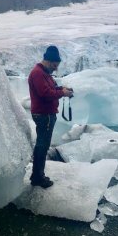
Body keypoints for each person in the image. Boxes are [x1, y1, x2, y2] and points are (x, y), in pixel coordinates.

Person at [28, 46, 73, 188]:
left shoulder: (44, 73)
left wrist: (62, 90)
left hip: (47, 114)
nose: (55, 68)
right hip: (43, 115)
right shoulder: (37, 73)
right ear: (48, 61)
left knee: (43, 144)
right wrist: (62, 93)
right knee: (42, 145)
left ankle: (37, 175)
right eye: (54, 65)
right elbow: (45, 94)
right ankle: (37, 177)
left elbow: (51, 89)